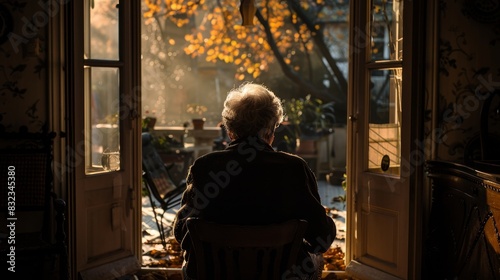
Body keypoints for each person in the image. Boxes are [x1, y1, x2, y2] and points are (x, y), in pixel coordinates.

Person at [173, 82, 336, 280]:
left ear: (230, 131)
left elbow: (182, 231)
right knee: (316, 259)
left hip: (215, 276)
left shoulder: (204, 167)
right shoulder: (294, 169)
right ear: (270, 132)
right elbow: (321, 239)